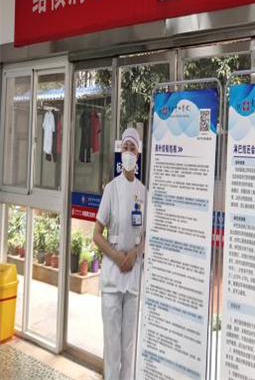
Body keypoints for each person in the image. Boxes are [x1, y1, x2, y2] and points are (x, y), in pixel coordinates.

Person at [93, 127, 147, 380]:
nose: (128, 152)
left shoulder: (143, 192)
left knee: (129, 347)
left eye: (132, 148)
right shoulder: (111, 189)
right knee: (112, 348)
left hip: (133, 277)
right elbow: (96, 235)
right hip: (114, 277)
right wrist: (117, 257)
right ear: (120, 151)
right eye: (125, 147)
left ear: (138, 154)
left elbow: (147, 235)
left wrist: (135, 253)